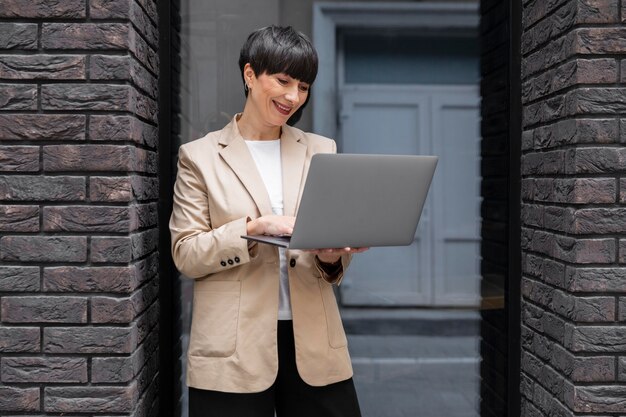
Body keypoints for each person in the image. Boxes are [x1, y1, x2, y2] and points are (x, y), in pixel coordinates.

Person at [169, 26, 366, 417]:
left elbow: (330, 257)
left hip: (313, 343)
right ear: (249, 75)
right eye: (283, 81)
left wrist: (331, 256)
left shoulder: (320, 150)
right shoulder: (200, 156)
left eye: (304, 86)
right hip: (232, 348)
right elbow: (186, 253)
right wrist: (251, 230)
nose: (294, 97)